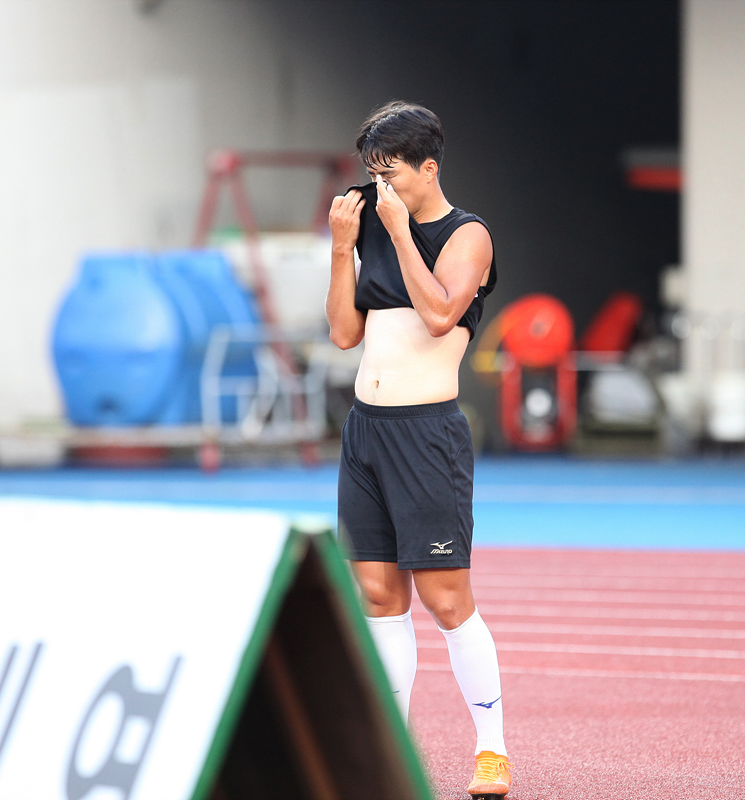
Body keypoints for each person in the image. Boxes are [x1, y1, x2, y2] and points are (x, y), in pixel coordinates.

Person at [326, 101, 512, 798]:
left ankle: (491, 750)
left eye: (392, 174)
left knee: (446, 598)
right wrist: (342, 249)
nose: (381, 188)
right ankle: (390, 755)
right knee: (377, 595)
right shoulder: (374, 226)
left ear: (428, 168)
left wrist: (402, 232)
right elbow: (344, 333)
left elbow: (438, 315)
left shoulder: (468, 235)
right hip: (366, 432)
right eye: (373, 174)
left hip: (426, 433)